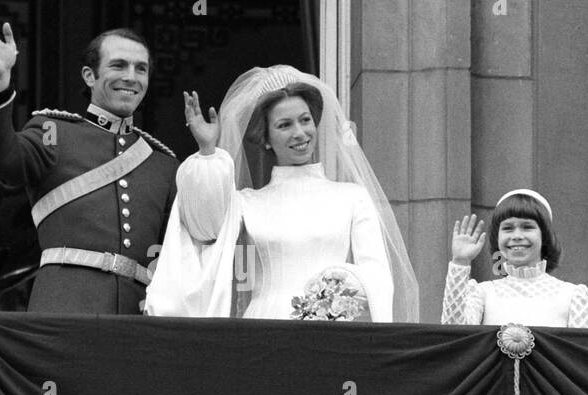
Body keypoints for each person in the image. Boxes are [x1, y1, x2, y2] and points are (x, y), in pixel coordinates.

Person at [144, 66, 421, 321]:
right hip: (264, 326)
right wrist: (208, 150)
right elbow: (203, 228)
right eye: (284, 125)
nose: (300, 133)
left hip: (334, 330)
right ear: (265, 138)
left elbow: (377, 277)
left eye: (305, 120)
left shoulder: (353, 197)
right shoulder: (246, 202)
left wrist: (335, 300)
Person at [0, 11, 177, 313]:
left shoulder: (163, 165)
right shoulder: (54, 132)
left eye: (140, 69)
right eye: (118, 65)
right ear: (89, 76)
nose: (131, 77)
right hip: (64, 309)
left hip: (137, 317)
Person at [441, 189, 588, 327]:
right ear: (497, 238)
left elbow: (579, 354)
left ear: (544, 235)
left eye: (527, 227)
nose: (517, 236)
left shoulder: (572, 296)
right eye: (508, 228)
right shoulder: (483, 293)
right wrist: (460, 261)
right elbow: (454, 335)